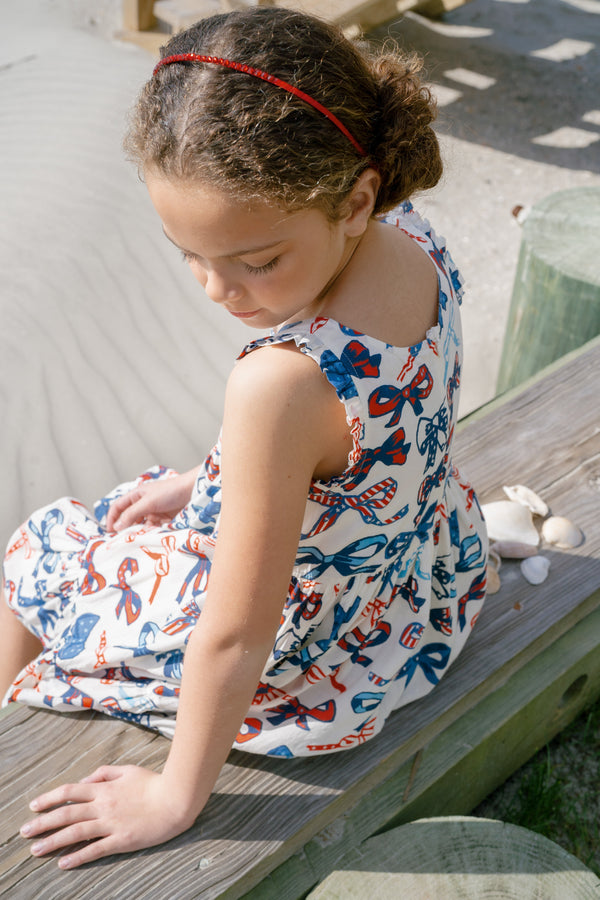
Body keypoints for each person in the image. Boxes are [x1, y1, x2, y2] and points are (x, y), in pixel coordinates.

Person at [2, 6, 487, 869]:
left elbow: (234, 633)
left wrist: (174, 795)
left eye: (256, 261)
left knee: (42, 542)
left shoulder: (280, 381)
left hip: (316, 654)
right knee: (132, 502)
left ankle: (13, 726)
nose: (218, 291)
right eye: (187, 253)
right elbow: (358, 443)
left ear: (355, 197)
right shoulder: (413, 235)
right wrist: (208, 479)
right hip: (411, 578)